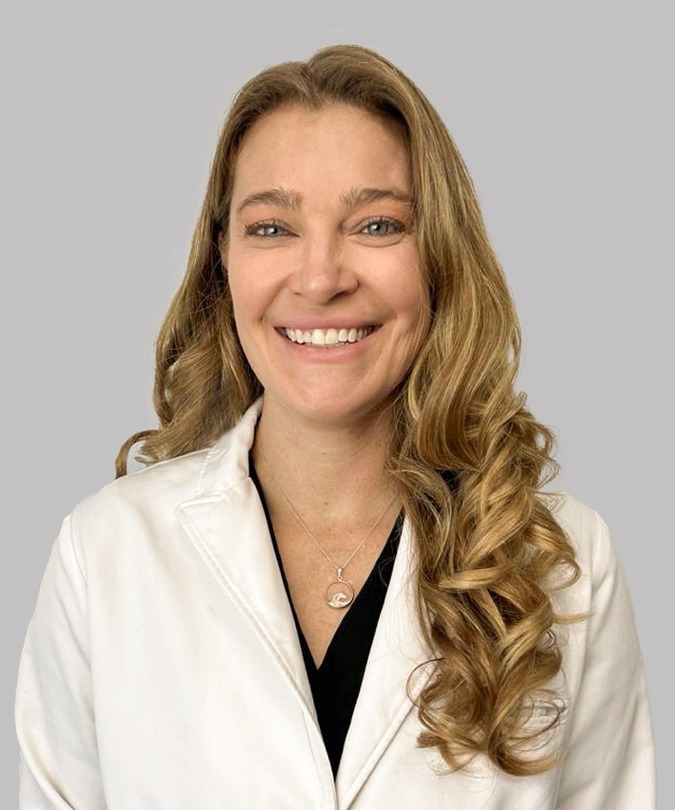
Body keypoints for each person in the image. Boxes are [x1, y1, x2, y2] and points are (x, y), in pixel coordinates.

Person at [15, 44, 655, 809]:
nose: (320, 277)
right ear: (221, 262)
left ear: (440, 258)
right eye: (272, 229)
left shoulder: (561, 560)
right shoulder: (106, 554)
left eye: (377, 224)